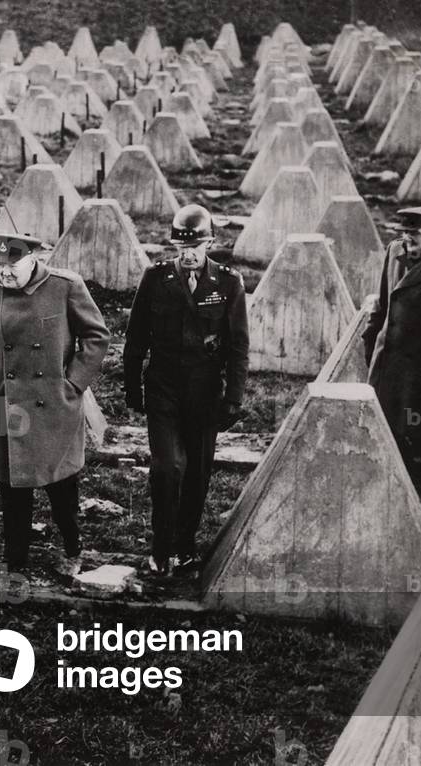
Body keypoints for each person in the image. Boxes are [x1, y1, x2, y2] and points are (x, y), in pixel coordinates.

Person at [0, 233, 110, 576]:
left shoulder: (65, 286)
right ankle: (15, 559)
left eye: (13, 266)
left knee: (61, 486)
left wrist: (72, 383)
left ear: (33, 260)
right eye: (1, 266)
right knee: (12, 487)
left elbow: (96, 335)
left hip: (55, 404)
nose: (5, 273)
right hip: (8, 404)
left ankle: (73, 547)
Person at [123, 204, 249, 576]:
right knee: (167, 468)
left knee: (197, 472)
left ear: (210, 243)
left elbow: (238, 346)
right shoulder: (156, 278)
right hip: (163, 387)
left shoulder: (228, 283)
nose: (189, 254)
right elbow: (135, 337)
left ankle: (185, 545)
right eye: (181, 248)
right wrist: (133, 387)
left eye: (196, 247)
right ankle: (160, 548)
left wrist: (233, 398)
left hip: (205, 391)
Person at [363, 206, 421, 495]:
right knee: (386, 424)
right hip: (388, 360)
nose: (407, 240)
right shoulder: (394, 252)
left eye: (415, 234)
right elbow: (383, 302)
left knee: (418, 429)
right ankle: (387, 485)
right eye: (404, 233)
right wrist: (371, 336)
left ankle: (418, 488)